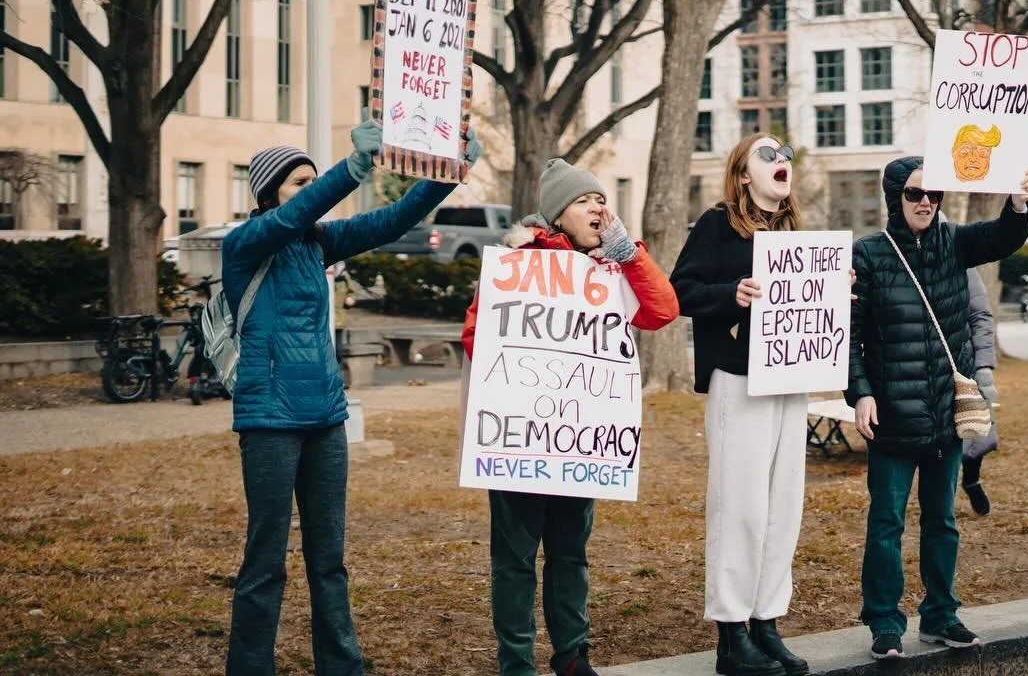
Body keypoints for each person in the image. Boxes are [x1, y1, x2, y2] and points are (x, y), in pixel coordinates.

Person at [222, 120, 482, 675]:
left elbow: (394, 219)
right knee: (265, 562)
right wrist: (351, 169)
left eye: (313, 180)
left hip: (325, 417)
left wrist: (449, 173)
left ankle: (342, 667)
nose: (310, 191)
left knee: (329, 561)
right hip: (269, 420)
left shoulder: (318, 243)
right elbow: (291, 217)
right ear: (268, 193)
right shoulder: (245, 243)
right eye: (299, 183)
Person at [460, 157, 679, 676]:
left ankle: (573, 655)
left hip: (578, 439)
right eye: (584, 200)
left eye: (602, 199)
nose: (598, 207)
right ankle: (516, 663)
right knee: (514, 560)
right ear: (558, 214)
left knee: (570, 554)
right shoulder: (519, 263)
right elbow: (475, 338)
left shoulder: (616, 268)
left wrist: (630, 256)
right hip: (521, 437)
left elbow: (663, 311)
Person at [846, 156, 1028, 660]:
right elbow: (850, 336)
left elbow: (1002, 237)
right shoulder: (867, 255)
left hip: (946, 416)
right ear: (895, 198)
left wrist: (1020, 204)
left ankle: (940, 615)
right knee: (886, 524)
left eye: (934, 194)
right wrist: (860, 393)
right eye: (915, 193)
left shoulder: (955, 242)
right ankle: (884, 622)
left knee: (942, 521)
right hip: (891, 417)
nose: (926, 202)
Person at [670, 133, 808, 676]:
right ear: (744, 174)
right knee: (740, 507)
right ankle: (731, 634)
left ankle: (766, 621)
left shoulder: (796, 234)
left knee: (782, 507)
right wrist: (733, 293)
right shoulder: (716, 224)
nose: (781, 161)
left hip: (790, 379)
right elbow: (681, 291)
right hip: (739, 377)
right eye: (767, 155)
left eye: (786, 155)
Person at [961, 268, 998, 517]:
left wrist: (983, 367)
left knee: (976, 432)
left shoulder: (963, 263)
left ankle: (971, 481)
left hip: (965, 364)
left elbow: (980, 315)